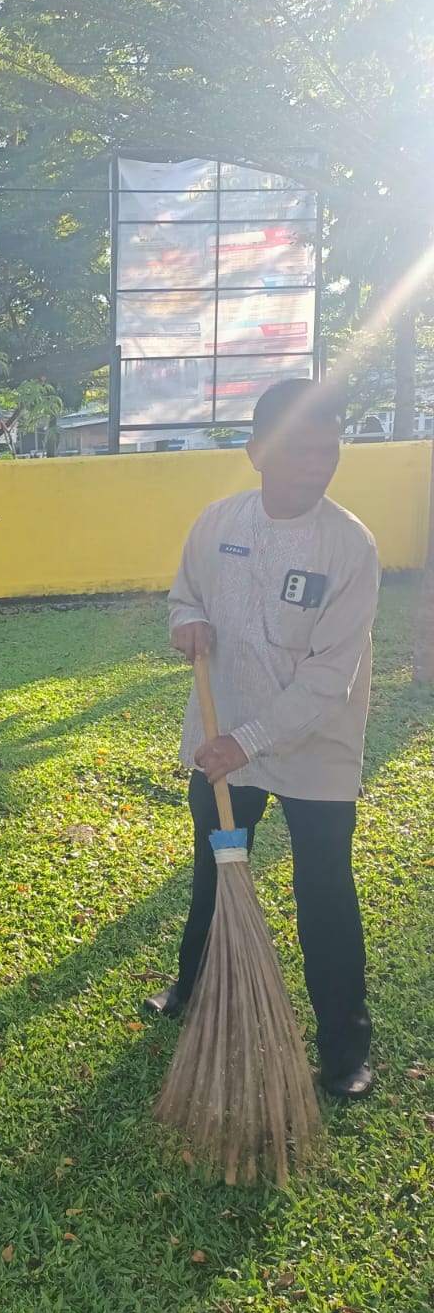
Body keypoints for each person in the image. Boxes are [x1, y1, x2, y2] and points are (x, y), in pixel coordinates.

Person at [145, 379, 379, 1100]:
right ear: (256, 454)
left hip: (314, 749)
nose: (320, 463)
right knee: (215, 871)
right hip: (223, 746)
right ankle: (191, 983)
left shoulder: (351, 547)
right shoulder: (217, 524)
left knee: (324, 891)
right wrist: (185, 619)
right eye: (302, 450)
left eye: (329, 448)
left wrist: (247, 742)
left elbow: (327, 681)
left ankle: (343, 1049)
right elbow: (185, 593)